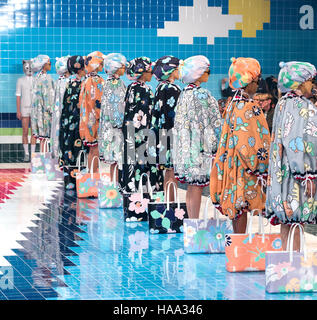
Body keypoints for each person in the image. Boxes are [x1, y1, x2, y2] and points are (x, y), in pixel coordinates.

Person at [210, 57, 270, 234]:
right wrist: (261, 166)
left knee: (237, 207)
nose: (257, 85)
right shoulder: (248, 107)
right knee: (242, 204)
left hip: (231, 164)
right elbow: (250, 141)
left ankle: (237, 243)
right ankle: (240, 247)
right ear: (248, 81)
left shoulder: (232, 104)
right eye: (256, 80)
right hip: (245, 167)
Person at [266, 61, 317, 251]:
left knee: (287, 221)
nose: (312, 85)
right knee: (297, 222)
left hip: (282, 172)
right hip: (297, 174)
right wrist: (308, 173)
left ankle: (284, 268)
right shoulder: (302, 106)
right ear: (300, 82)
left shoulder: (282, 103)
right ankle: (295, 270)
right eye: (310, 80)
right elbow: (304, 142)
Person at [173, 55, 222, 219]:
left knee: (190, 187)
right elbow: (214, 123)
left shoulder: (183, 94)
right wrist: (217, 146)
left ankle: (191, 222)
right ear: (198, 73)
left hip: (185, 148)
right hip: (199, 149)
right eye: (207, 70)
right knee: (197, 187)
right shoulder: (203, 95)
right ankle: (194, 223)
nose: (209, 73)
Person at [120, 57, 156, 193]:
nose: (152, 73)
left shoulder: (132, 87)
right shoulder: (142, 89)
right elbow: (142, 112)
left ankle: (130, 189)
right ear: (141, 72)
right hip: (140, 131)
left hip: (131, 131)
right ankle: (137, 190)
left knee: (130, 160)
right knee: (138, 160)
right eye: (149, 70)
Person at [151, 55, 182, 199]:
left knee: (168, 170)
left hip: (162, 134)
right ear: (170, 71)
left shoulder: (160, 87)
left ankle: (167, 202)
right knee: (172, 171)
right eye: (177, 68)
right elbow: (175, 114)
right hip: (172, 133)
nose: (179, 71)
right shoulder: (173, 89)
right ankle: (171, 203)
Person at [59, 55, 87, 190]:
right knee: (78, 150)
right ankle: (78, 181)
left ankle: (69, 180)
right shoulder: (81, 84)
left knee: (67, 149)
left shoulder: (67, 83)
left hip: (66, 124)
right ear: (80, 68)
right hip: (77, 124)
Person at [99, 53, 127, 182]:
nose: (125, 68)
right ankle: (116, 188)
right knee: (117, 160)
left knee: (113, 162)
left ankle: (113, 188)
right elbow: (117, 106)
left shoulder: (109, 82)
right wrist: (123, 124)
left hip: (108, 127)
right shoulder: (115, 83)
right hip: (116, 129)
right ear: (115, 67)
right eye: (123, 65)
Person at [79, 51, 105, 172]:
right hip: (95, 121)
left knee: (92, 150)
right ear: (95, 65)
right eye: (101, 63)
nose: (103, 65)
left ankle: (91, 176)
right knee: (95, 150)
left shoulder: (86, 80)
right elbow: (97, 101)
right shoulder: (96, 80)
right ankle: (93, 178)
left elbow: (81, 102)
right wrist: (101, 117)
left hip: (87, 119)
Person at [30, 55, 55, 152]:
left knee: (41, 139)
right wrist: (53, 111)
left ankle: (43, 160)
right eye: (49, 63)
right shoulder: (46, 79)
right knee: (45, 138)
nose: (50, 65)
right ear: (44, 65)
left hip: (37, 114)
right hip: (45, 114)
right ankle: (46, 163)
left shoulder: (36, 78)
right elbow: (48, 98)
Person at [16, 60, 36, 162]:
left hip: (35, 109)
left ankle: (33, 154)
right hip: (24, 108)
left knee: (34, 132)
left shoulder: (37, 80)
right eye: (27, 68)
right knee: (25, 131)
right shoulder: (20, 80)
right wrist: (18, 110)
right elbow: (18, 96)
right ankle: (26, 154)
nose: (29, 70)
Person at [51, 56, 70, 158]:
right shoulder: (66, 82)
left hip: (57, 115)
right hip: (64, 116)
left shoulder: (58, 81)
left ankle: (56, 155)